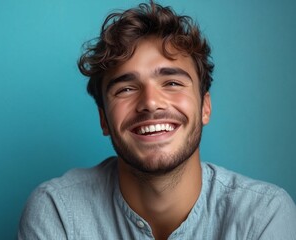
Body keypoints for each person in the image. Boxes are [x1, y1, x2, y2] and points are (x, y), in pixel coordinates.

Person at [18, 1, 296, 239]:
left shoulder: (263, 216)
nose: (150, 102)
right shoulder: (58, 211)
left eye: (172, 82)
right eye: (126, 89)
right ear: (104, 119)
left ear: (205, 107)